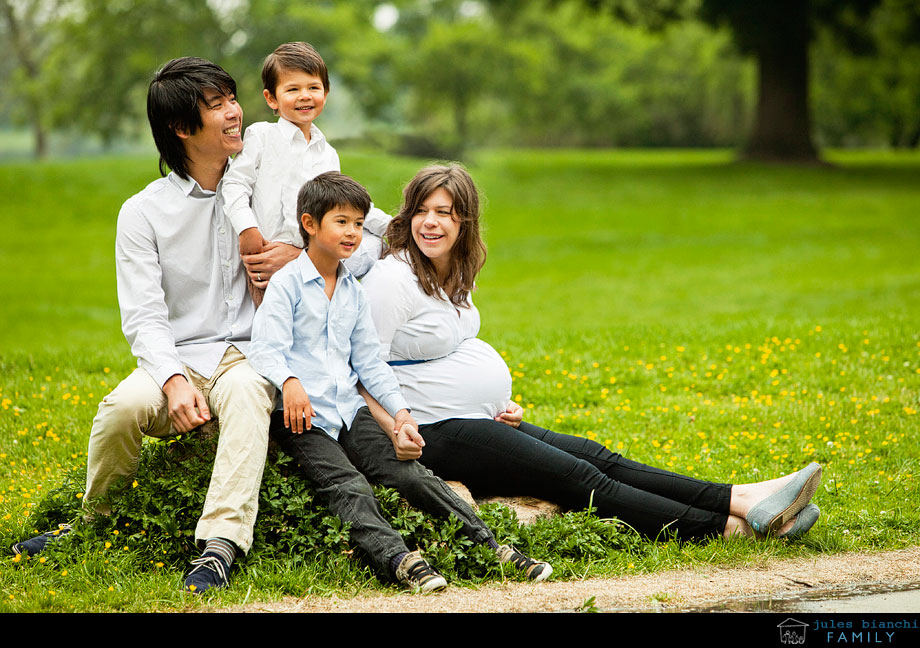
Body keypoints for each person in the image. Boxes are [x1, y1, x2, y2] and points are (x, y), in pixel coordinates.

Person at [360, 164, 822, 542]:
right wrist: (398, 427)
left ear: (465, 222)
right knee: (582, 478)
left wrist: (492, 400)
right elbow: (364, 369)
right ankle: (728, 529)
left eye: (444, 212)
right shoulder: (392, 279)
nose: (430, 222)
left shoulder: (451, 274)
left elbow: (448, 353)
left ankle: (743, 497)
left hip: (474, 419)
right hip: (431, 433)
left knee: (598, 457)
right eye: (421, 211)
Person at [12, 58, 277, 594]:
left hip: (254, 353)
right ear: (182, 129)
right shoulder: (143, 212)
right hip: (179, 355)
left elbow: (351, 232)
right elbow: (143, 313)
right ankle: (91, 524)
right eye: (217, 105)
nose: (235, 113)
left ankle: (221, 546)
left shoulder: (270, 187)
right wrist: (173, 380)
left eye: (232, 98)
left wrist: (292, 255)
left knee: (248, 392)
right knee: (121, 409)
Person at [248, 171, 552, 591]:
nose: (353, 233)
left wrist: (400, 414)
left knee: (410, 472)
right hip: (305, 417)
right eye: (341, 222)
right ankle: (399, 560)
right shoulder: (287, 285)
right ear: (309, 224)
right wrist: (291, 382)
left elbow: (371, 363)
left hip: (350, 411)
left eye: (359, 223)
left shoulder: (353, 290)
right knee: (346, 484)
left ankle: (491, 547)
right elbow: (264, 348)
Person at [221, 41, 389, 306]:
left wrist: (391, 226)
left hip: (313, 262)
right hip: (268, 263)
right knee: (276, 327)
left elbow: (344, 205)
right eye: (293, 89)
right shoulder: (262, 136)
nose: (305, 96)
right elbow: (234, 185)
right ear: (272, 98)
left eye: (313, 87)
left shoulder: (327, 153)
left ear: (326, 92)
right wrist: (247, 228)